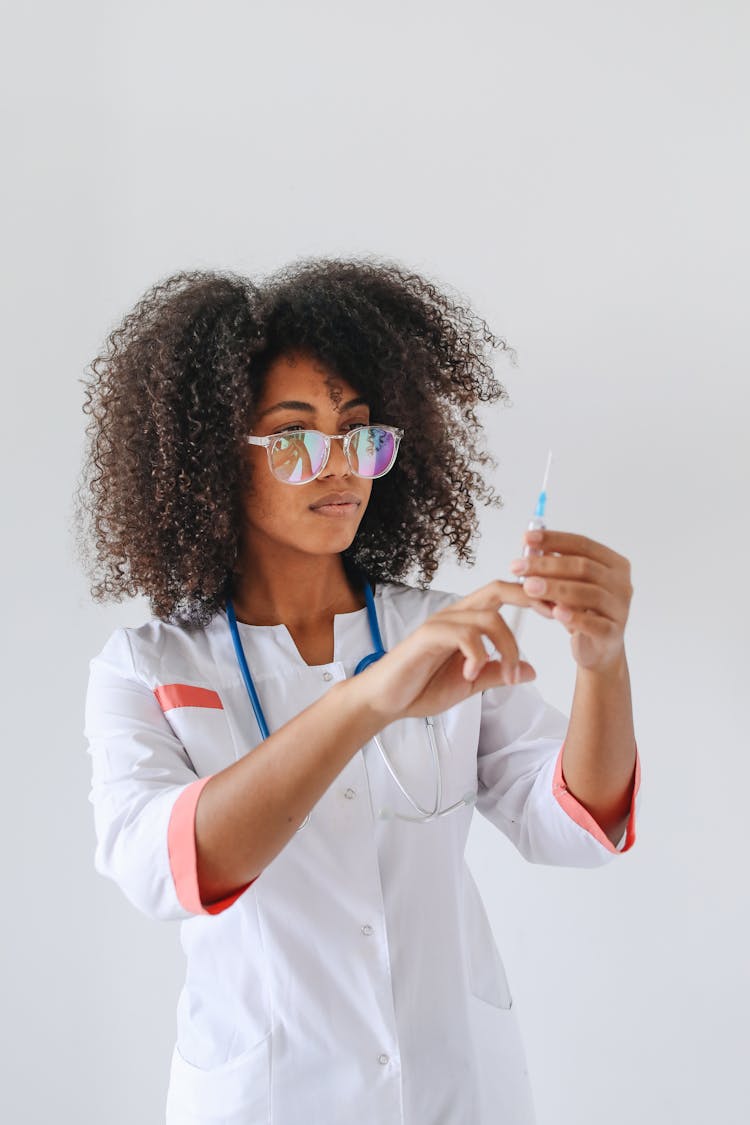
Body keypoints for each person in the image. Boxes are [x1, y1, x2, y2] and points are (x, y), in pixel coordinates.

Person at [79, 258, 641, 1125]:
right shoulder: (147, 668)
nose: (340, 464)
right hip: (269, 1098)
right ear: (212, 457)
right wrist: (366, 700)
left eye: (359, 432)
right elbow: (174, 869)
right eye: (297, 436)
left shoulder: (437, 628)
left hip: (454, 1088)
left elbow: (574, 821)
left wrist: (602, 662)